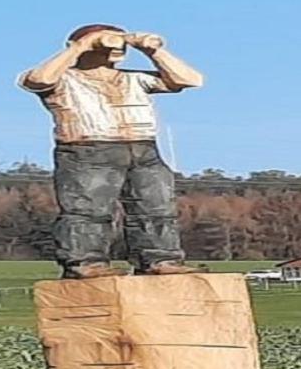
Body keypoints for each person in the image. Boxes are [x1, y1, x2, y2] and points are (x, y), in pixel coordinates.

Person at [18, 24, 205, 279]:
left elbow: (189, 80)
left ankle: (160, 259)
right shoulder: (64, 79)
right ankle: (84, 262)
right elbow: (38, 80)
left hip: (143, 147)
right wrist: (81, 46)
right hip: (87, 148)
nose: (116, 48)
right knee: (88, 210)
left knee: (156, 207)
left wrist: (153, 51)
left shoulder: (133, 78)